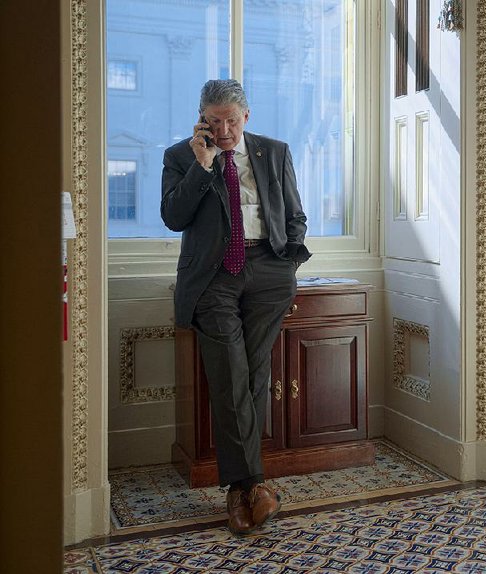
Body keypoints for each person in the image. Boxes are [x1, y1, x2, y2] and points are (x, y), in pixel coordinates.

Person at [161, 79, 311, 534]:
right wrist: (202, 167)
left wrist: (289, 260)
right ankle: (254, 485)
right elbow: (173, 217)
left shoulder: (275, 151)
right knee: (230, 376)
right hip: (214, 278)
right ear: (202, 118)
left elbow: (294, 214)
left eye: (231, 120)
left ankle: (238, 493)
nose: (224, 130)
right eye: (215, 120)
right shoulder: (181, 156)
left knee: (255, 372)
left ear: (246, 116)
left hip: (268, 270)